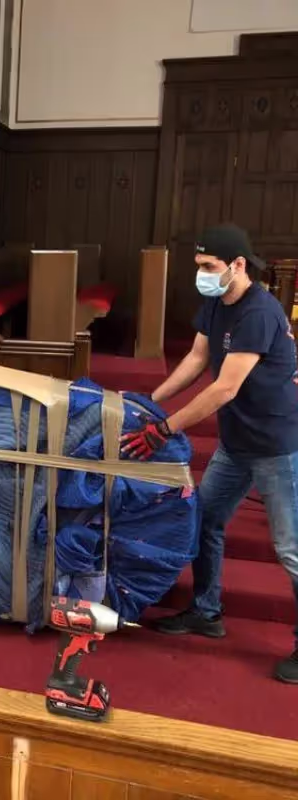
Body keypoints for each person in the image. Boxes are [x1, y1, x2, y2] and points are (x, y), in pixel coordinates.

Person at [120, 223, 298, 685]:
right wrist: (150, 402)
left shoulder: (260, 312)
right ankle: (206, 611)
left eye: (208, 267)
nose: (200, 274)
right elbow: (198, 360)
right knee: (205, 519)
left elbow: (224, 387)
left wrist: (163, 429)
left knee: (291, 549)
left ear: (238, 265)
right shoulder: (217, 303)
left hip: (278, 445)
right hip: (238, 442)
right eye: (198, 266)